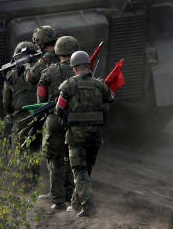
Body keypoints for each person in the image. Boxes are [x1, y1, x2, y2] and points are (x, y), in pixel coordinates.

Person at [54, 50, 114, 218]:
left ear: (74, 68)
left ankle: (88, 205)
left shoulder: (68, 85)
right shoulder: (99, 84)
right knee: (85, 171)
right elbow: (110, 98)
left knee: (79, 171)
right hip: (95, 136)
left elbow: (59, 109)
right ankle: (75, 204)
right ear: (89, 66)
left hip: (76, 137)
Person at [37, 35, 79, 210]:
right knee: (72, 158)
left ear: (57, 51)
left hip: (54, 119)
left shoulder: (48, 71)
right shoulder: (81, 71)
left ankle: (58, 199)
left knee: (54, 159)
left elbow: (40, 97)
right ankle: (71, 197)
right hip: (76, 120)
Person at [3, 41, 39, 141]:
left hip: (20, 117)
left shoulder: (11, 75)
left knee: (19, 152)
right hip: (41, 115)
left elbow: (6, 102)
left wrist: (11, 113)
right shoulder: (42, 69)